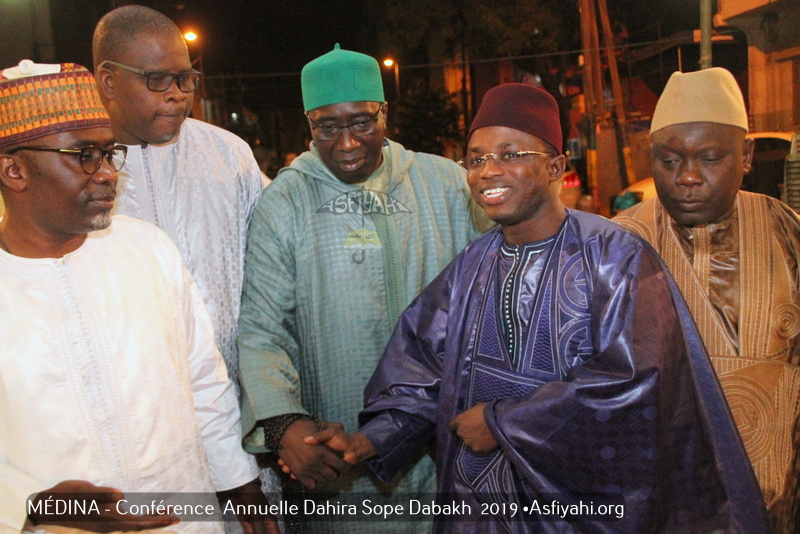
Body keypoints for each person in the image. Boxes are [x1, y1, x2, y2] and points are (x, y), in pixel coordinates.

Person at [303, 83, 769, 533]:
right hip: (478, 507)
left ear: (555, 166)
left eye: (510, 155)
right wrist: (370, 440)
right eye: (478, 158)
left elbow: (636, 387)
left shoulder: (615, 256)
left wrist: (504, 423)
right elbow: (421, 369)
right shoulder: (470, 267)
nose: (488, 171)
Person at [0, 61, 277, 534]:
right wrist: (30, 508)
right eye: (85, 155)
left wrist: (241, 486)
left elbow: (205, 383)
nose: (107, 174)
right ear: (15, 169)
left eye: (110, 153)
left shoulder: (147, 248)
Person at [237, 44, 490, 533]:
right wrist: (285, 423)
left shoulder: (444, 183)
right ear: (308, 124)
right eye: (327, 127)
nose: (347, 142)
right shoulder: (285, 202)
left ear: (384, 114)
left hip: (446, 445)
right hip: (339, 453)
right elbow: (263, 329)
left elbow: (494, 285)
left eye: (361, 123)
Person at [614, 67, 800, 532]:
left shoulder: (789, 233)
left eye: (711, 157)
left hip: (776, 503)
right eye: (669, 160)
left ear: (748, 155)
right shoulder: (614, 247)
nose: (688, 177)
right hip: (658, 505)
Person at [92, 5, 268, 389]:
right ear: (107, 81)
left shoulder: (229, 154)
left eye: (185, 78)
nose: (176, 95)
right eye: (156, 79)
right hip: (137, 403)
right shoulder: (79, 170)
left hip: (234, 394)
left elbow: (276, 258)